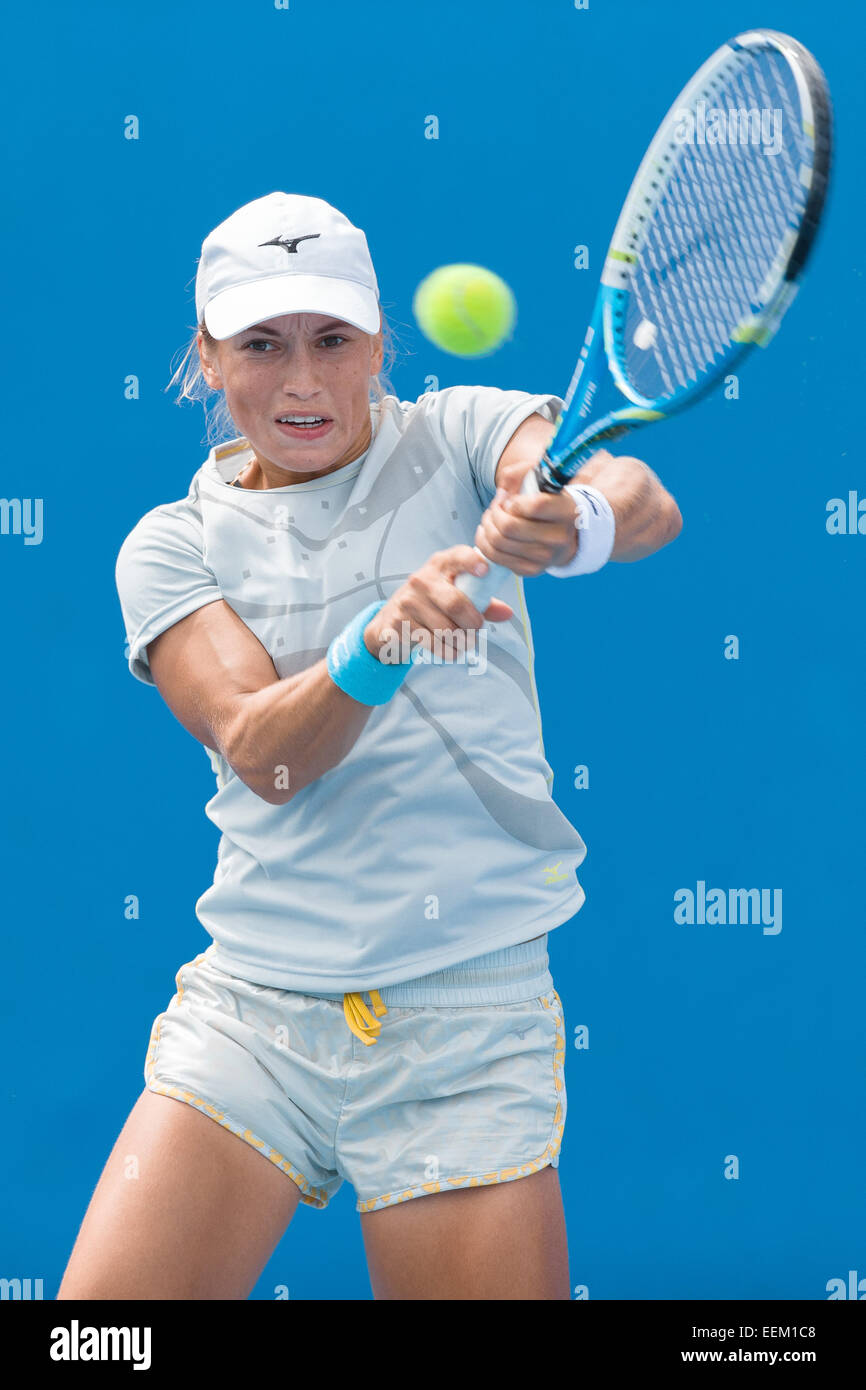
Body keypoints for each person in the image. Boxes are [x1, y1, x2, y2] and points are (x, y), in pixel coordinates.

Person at [58, 192, 682, 1301]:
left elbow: (634, 499)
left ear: (379, 344)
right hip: (252, 1017)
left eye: (331, 339)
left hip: (465, 1020)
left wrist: (573, 522)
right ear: (207, 358)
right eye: (262, 343)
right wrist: (382, 638)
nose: (302, 379)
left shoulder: (461, 432)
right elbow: (267, 753)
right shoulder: (169, 546)